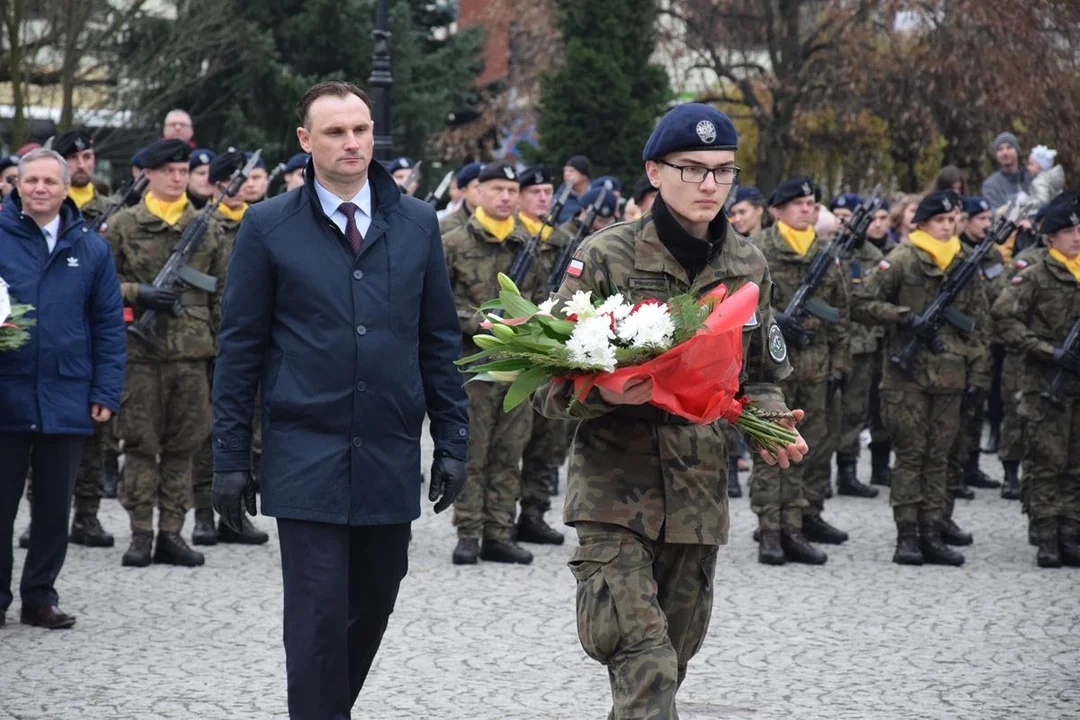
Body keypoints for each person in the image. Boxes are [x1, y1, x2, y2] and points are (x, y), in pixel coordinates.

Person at [538, 103, 805, 718]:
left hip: (699, 498)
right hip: (615, 496)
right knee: (647, 665)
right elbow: (550, 383)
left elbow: (761, 375)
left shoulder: (749, 264)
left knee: (669, 667)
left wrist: (769, 421)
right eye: (692, 169)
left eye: (722, 171)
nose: (710, 184)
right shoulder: (605, 256)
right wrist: (603, 390)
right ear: (654, 173)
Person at [211, 80, 468, 718]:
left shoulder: (415, 222)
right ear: (305, 141)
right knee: (317, 611)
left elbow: (438, 338)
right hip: (305, 448)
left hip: (386, 447)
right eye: (335, 132)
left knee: (378, 593)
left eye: (361, 129)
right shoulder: (268, 226)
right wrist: (228, 457)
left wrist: (455, 439)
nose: (352, 143)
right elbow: (240, 349)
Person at [0, 148, 125, 629]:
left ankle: (39, 598)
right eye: (29, 180)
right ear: (17, 185)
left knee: (54, 509)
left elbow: (108, 325)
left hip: (66, 393)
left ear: (67, 186)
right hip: (6, 395)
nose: (38, 189)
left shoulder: (91, 247)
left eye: (49, 182)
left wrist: (106, 391)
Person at [107, 138, 227, 568]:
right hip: (140, 352)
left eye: (183, 171)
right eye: (169, 172)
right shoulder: (123, 224)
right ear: (151, 175)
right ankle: (140, 533)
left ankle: (172, 533)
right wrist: (138, 293)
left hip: (192, 356)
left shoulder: (206, 226)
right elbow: (101, 287)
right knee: (139, 445)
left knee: (184, 446)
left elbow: (221, 292)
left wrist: (222, 346)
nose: (178, 178)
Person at [854, 190, 990, 566]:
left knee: (939, 458)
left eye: (952, 220)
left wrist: (978, 370)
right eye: (940, 221)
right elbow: (861, 304)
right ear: (922, 224)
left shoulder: (963, 261)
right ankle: (908, 536)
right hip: (906, 378)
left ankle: (933, 531)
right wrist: (905, 317)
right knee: (911, 458)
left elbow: (980, 320)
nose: (948, 226)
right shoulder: (901, 259)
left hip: (951, 376)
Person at [444, 160, 552, 566]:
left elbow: (545, 297)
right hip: (472, 364)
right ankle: (468, 531)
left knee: (509, 452)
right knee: (474, 451)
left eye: (511, 190)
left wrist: (535, 322)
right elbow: (436, 302)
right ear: (479, 192)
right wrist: (478, 321)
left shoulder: (528, 243)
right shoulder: (454, 241)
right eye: (497, 189)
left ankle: (498, 531)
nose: (505, 197)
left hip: (518, 365)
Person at [750, 176, 851, 563]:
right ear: (777, 210)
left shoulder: (826, 252)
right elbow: (739, 304)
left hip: (815, 367)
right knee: (769, 448)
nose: (806, 208)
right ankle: (768, 529)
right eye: (798, 203)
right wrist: (774, 318)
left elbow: (842, 313)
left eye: (811, 203)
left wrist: (839, 367)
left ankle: (794, 524)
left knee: (804, 450)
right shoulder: (759, 249)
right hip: (768, 372)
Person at [992, 191, 1080, 567]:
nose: (1076, 236)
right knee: (1046, 462)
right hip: (1045, 384)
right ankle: (1046, 534)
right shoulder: (1036, 272)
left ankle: (1071, 531)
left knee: (1076, 463)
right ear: (1050, 236)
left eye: (1079, 229)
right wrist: (1047, 351)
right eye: (1068, 230)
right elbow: (1004, 320)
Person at [187, 151, 268, 548]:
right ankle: (204, 514)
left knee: (252, 433)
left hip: (254, 345)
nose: (248, 185)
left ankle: (238, 515)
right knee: (209, 435)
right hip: (208, 342)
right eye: (239, 178)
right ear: (218, 185)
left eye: (254, 177)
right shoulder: (203, 226)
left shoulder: (267, 224)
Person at [514, 165, 571, 545]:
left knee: (549, 441)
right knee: (510, 442)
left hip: (556, 354)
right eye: (535, 192)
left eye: (548, 192)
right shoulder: (513, 239)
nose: (543, 198)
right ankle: (496, 521)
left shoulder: (565, 240)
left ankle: (533, 513)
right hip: (519, 351)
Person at [981, 132, 1032, 210]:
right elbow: (995, 215)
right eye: (1000, 149)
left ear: (1017, 151)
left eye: (1009, 147)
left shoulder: (1031, 178)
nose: (1005, 153)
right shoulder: (991, 185)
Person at [439, 161, 482, 236]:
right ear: (464, 191)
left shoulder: (500, 221)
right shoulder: (446, 225)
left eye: (488, 187)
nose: (483, 191)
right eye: (478, 187)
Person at [554, 154, 591, 224]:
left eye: (571, 171)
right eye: (565, 170)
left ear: (585, 176)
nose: (566, 174)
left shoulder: (596, 195)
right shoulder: (559, 199)